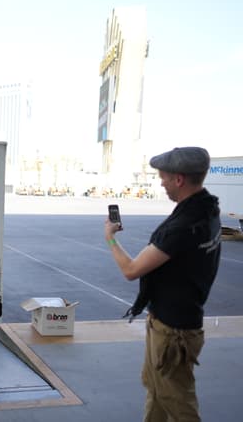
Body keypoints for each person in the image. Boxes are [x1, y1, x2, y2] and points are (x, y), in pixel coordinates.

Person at [104, 146, 221, 422]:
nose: (161, 183)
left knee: (177, 400)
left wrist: (110, 237)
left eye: (164, 178)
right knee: (156, 389)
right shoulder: (209, 210)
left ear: (179, 179)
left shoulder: (183, 226)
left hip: (173, 331)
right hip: (175, 321)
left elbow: (131, 270)